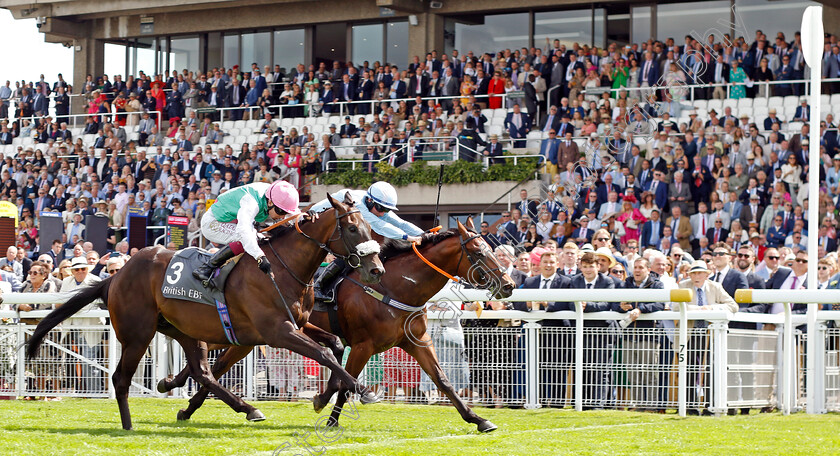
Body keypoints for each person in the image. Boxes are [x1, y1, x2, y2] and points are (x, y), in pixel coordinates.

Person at [310, 181, 423, 301]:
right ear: (369, 201)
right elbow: (379, 225)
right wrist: (407, 237)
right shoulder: (358, 204)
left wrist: (425, 234)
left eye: (386, 209)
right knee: (351, 251)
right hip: (314, 219)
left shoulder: (375, 205)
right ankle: (318, 286)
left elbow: (401, 223)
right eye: (381, 208)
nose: (382, 213)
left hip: (336, 225)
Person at [192, 180, 302, 287]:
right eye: (281, 212)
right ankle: (206, 268)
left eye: (286, 213)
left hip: (232, 219)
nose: (283, 217)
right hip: (213, 222)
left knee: (259, 238)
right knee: (246, 238)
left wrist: (304, 217)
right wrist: (260, 257)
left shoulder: (275, 194)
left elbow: (292, 209)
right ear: (270, 202)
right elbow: (243, 230)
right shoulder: (251, 202)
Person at [676, 260, 738, 414]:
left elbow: (733, 305)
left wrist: (711, 308)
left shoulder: (715, 287)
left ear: (706, 274)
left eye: (699, 273)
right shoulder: (683, 286)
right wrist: (699, 310)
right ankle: (690, 407)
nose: (696, 276)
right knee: (689, 370)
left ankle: (709, 406)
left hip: (710, 334)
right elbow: (676, 306)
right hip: (690, 334)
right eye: (693, 273)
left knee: (711, 369)